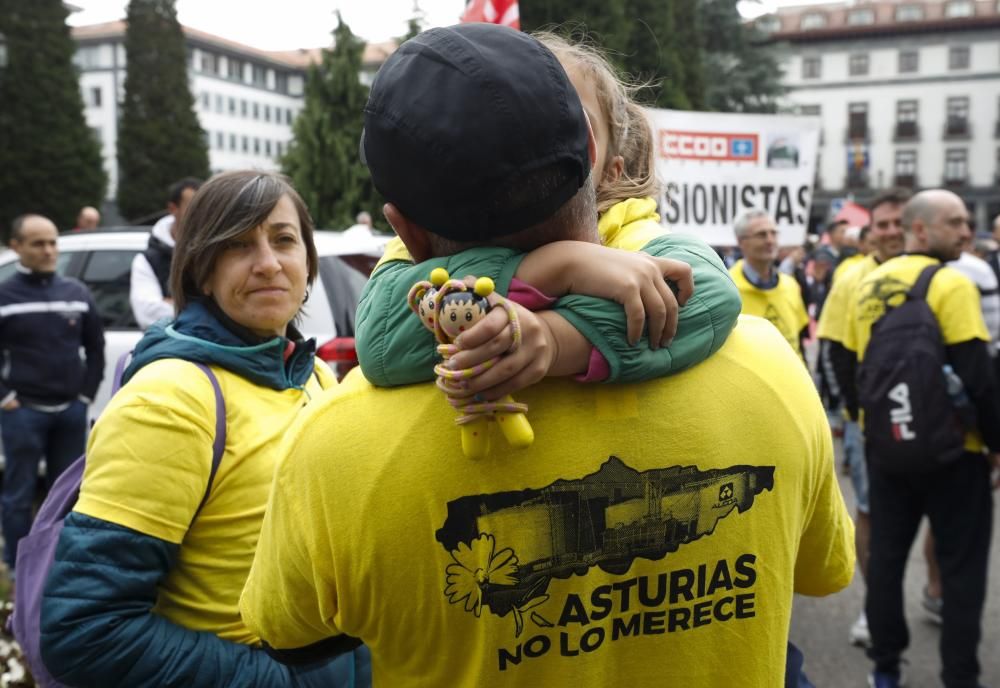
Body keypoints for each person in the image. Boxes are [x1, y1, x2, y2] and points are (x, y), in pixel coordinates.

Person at [240, 24, 854, 687]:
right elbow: (820, 571)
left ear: (403, 228)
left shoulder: (331, 440)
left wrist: (556, 333)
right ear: (591, 161)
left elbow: (288, 631)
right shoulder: (770, 367)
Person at [40, 171, 368, 687]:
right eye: (237, 245)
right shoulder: (169, 400)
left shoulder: (313, 375)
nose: (267, 263)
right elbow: (86, 632)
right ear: (201, 273)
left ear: (307, 263)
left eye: (283, 240)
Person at [354, 32, 741, 390]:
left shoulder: (627, 226)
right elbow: (380, 330)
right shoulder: (403, 254)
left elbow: (708, 291)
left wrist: (556, 339)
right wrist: (553, 268)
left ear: (602, 163)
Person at [842, 189, 1000, 688]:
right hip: (957, 453)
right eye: (955, 222)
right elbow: (978, 376)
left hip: (886, 446)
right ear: (922, 230)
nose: (966, 230)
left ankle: (885, 669)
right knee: (962, 571)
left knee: (886, 560)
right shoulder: (951, 285)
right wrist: (995, 443)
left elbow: (848, 363)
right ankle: (960, 676)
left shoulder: (867, 285)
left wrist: (864, 423)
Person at [815, 188, 909, 650]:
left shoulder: (940, 271)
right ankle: (877, 606)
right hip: (871, 424)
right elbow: (834, 350)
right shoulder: (851, 276)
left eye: (900, 224)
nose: (891, 233)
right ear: (869, 231)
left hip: (934, 425)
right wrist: (853, 414)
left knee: (938, 516)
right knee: (873, 511)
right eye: (882, 225)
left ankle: (934, 591)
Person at [0, 214, 105, 583]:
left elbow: (95, 346)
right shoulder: (4, 296)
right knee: (18, 494)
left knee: (67, 494)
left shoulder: (76, 293)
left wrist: (85, 395)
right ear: (16, 247)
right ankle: (16, 569)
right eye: (38, 244)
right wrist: (6, 398)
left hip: (69, 412)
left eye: (52, 242)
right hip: (22, 411)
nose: (48, 251)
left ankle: (58, 568)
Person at [728, 209, 809, 356]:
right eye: (761, 234)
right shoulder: (727, 288)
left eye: (774, 233)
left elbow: (799, 339)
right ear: (741, 241)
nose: (770, 240)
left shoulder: (790, 285)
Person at [130, 177, 201, 329]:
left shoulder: (215, 251)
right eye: (193, 207)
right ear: (173, 209)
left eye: (203, 207)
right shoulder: (148, 260)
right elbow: (147, 314)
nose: (200, 214)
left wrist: (172, 303)